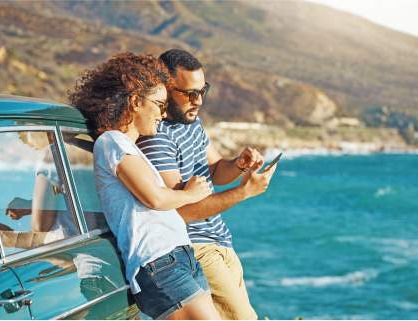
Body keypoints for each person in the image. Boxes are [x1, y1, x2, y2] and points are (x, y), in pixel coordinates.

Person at [68, 52, 221, 320]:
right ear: (136, 101)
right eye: (160, 105)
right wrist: (190, 193)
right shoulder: (112, 142)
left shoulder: (129, 147)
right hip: (158, 263)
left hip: (180, 255)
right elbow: (155, 199)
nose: (163, 114)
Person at [137, 49, 278, 320]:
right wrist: (244, 192)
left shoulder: (191, 123)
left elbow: (214, 169)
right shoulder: (156, 139)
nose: (198, 101)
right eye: (189, 93)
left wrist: (238, 164)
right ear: (165, 88)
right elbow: (180, 213)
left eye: (203, 91)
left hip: (221, 241)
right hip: (197, 247)